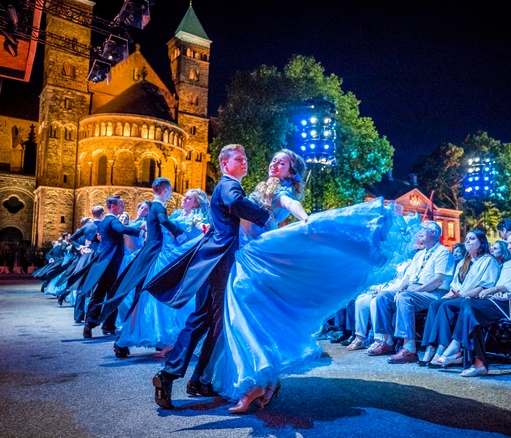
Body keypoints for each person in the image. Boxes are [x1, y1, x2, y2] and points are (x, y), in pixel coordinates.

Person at [200, 149, 412, 413]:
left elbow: (290, 204)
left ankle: (256, 383)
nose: (275, 162)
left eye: (282, 162)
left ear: (291, 171)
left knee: (246, 314)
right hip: (246, 251)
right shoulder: (263, 186)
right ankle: (265, 382)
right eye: (274, 158)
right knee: (258, 316)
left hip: (257, 253)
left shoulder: (281, 190)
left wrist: (307, 219)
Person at [146, 144, 271, 410]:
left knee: (201, 319)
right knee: (215, 323)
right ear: (225, 164)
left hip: (211, 262)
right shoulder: (229, 185)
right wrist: (263, 213)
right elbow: (237, 203)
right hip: (221, 262)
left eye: (245, 157)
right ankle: (180, 376)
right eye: (239, 158)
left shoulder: (226, 185)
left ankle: (188, 379)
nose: (245, 161)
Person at [113, 189, 210, 359]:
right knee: (147, 300)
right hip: (162, 259)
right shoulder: (177, 214)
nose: (184, 199)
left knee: (166, 301)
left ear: (196, 203)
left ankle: (170, 342)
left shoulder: (198, 218)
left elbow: (198, 236)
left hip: (175, 261)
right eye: (185, 196)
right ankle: (133, 340)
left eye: (188, 198)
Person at [97, 178, 184, 348]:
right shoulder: (158, 206)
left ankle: (154, 335)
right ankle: (126, 340)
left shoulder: (155, 205)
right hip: (155, 250)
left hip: (151, 248)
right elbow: (164, 221)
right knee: (148, 293)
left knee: (147, 294)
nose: (172, 193)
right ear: (165, 190)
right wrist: (179, 234)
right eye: (171, 190)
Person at [447, 229, 511, 376]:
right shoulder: (508, 264)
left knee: (470, 306)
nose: (509, 246)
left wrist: (497, 288)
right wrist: (495, 291)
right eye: (508, 243)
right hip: (501, 303)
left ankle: (458, 346)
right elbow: (499, 286)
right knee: (471, 310)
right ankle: (478, 362)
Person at [367, 221, 455, 365]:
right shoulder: (419, 255)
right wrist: (400, 288)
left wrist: (413, 290)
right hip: (413, 291)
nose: (419, 232)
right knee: (382, 296)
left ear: (433, 233)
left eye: (423, 229)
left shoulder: (443, 252)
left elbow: (438, 280)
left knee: (404, 297)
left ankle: (409, 349)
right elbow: (408, 278)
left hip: (432, 293)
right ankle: (387, 342)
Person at [419, 230, 500, 368]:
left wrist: (461, 295)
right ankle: (430, 347)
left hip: (475, 299)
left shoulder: (489, 261)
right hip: (459, 296)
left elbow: (485, 287)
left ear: (481, 242)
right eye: (466, 238)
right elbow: (455, 284)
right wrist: (453, 293)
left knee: (446, 306)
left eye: (472, 238)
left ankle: (442, 349)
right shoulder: (463, 262)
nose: (467, 241)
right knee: (436, 304)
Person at [79, 196, 143, 339]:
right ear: (113, 206)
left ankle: (100, 324)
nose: (123, 206)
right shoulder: (112, 220)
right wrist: (140, 230)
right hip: (111, 263)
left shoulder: (103, 222)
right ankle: (101, 324)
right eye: (121, 204)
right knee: (110, 292)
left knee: (103, 293)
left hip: (104, 262)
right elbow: (121, 229)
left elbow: (98, 238)